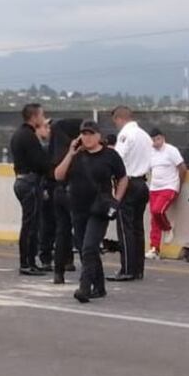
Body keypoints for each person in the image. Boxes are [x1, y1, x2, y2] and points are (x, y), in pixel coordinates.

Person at [54, 121, 128, 303]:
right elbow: (58, 175)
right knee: (86, 249)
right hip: (78, 208)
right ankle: (100, 287)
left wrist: (116, 200)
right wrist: (70, 153)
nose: (87, 137)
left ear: (98, 136)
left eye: (90, 133)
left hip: (99, 209)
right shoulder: (77, 156)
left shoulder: (110, 155)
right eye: (83, 134)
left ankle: (84, 287)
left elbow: (123, 178)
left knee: (89, 247)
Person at [109, 106, 152, 281]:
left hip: (128, 183)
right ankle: (138, 269)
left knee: (125, 228)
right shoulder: (145, 136)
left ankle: (126, 268)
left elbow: (118, 158)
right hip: (142, 182)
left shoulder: (126, 135)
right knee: (137, 228)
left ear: (120, 118)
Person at [10, 103, 51, 276]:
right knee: (31, 225)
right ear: (34, 117)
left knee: (31, 223)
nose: (43, 119)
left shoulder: (20, 134)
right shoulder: (28, 136)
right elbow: (40, 162)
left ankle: (29, 261)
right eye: (41, 115)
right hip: (29, 183)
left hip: (23, 181)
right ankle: (27, 263)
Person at [42, 118, 82, 284]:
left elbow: (52, 172)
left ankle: (59, 271)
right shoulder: (77, 151)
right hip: (75, 193)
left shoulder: (53, 149)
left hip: (58, 191)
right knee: (80, 232)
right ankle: (82, 268)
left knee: (61, 232)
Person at [146, 128, 187, 259]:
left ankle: (168, 228)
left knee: (158, 211)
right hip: (154, 188)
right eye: (153, 140)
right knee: (154, 218)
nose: (155, 142)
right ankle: (154, 248)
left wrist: (178, 185)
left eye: (157, 139)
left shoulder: (171, 150)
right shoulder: (150, 152)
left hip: (169, 186)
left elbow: (182, 168)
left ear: (163, 138)